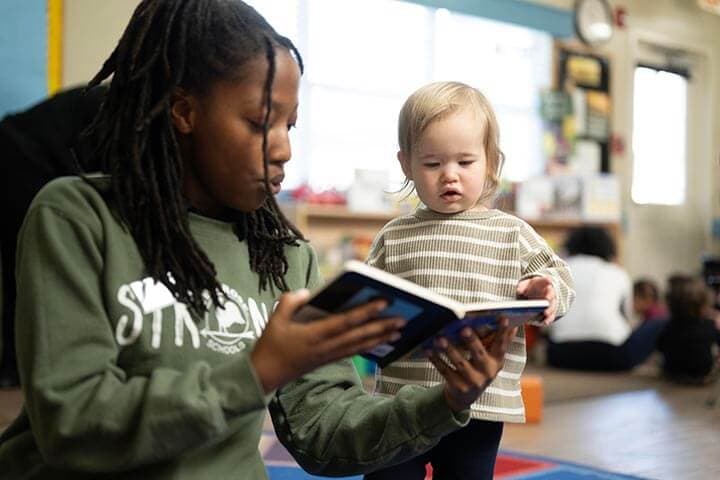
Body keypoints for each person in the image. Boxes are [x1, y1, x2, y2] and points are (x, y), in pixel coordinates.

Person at [0, 2, 518, 478]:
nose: (284, 150)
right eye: (258, 122)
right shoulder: (77, 217)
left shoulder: (285, 256)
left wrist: (448, 398)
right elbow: (72, 427)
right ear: (184, 111)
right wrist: (257, 371)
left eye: (290, 125)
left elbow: (323, 432)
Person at [364, 81, 575, 480]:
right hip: (401, 402)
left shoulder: (512, 232)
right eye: (431, 164)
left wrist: (546, 288)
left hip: (480, 402)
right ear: (406, 163)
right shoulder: (394, 235)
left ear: (491, 161)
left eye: (465, 162)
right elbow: (369, 300)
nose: (449, 176)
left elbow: (559, 276)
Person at [0, 85, 106, 388]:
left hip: (16, 154)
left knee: (21, 274)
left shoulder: (108, 100)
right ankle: (20, 368)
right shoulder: (115, 110)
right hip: (20, 162)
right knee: (30, 274)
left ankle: (14, 367)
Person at [546, 226, 666, 371]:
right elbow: (628, 316)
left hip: (559, 355)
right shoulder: (617, 272)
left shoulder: (560, 270)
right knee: (660, 322)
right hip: (612, 355)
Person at [658, 274, 720, 384]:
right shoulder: (709, 325)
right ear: (702, 305)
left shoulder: (668, 326)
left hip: (672, 373)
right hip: (702, 375)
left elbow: (660, 346)